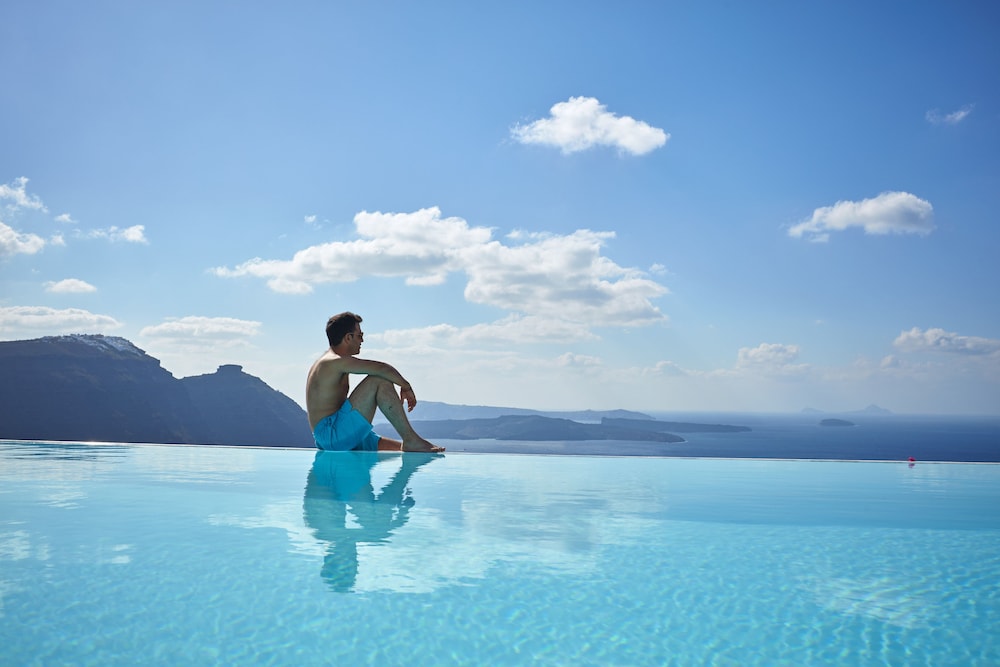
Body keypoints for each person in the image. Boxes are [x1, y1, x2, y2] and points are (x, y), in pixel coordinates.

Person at [306, 311, 444, 452]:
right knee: (378, 380)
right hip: (332, 434)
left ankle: (410, 441)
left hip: (335, 431)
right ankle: (411, 439)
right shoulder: (333, 361)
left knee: (399, 449)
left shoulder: (330, 361)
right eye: (360, 336)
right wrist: (406, 386)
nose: (362, 341)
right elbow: (381, 369)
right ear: (348, 337)